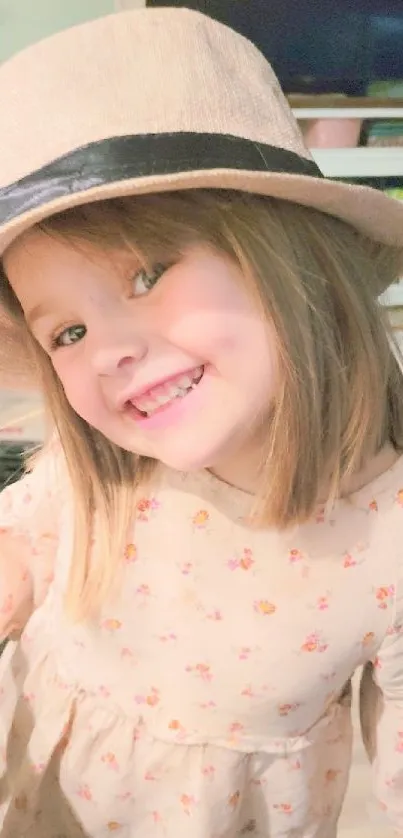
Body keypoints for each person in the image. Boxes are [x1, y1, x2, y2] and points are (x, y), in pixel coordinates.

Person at [0, 7, 402, 837]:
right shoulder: (99, 474)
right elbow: (19, 544)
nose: (107, 349)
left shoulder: (387, 539)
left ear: (291, 260)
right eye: (66, 332)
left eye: (146, 273)